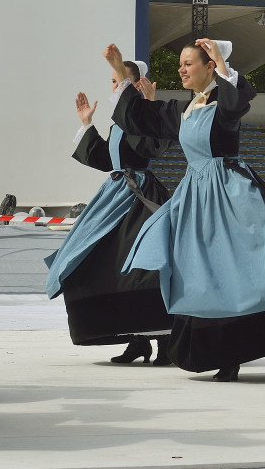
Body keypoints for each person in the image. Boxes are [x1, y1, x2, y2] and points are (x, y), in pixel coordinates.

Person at [107, 39, 265, 381]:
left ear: (210, 66)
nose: (182, 69)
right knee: (205, 275)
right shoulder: (184, 109)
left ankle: (262, 346)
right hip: (196, 197)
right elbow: (139, 116)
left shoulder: (223, 104)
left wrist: (223, 64)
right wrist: (117, 69)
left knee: (241, 272)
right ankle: (228, 352)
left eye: (189, 63)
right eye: (181, 64)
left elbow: (238, 100)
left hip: (230, 195)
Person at [44, 59, 175, 364]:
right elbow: (107, 159)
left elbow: (153, 148)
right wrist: (87, 124)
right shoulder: (118, 123)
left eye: (119, 82)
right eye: (113, 82)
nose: (114, 87)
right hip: (116, 193)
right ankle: (135, 339)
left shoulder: (140, 118)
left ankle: (165, 340)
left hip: (140, 197)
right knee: (106, 263)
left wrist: (150, 109)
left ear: (135, 84)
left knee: (145, 269)